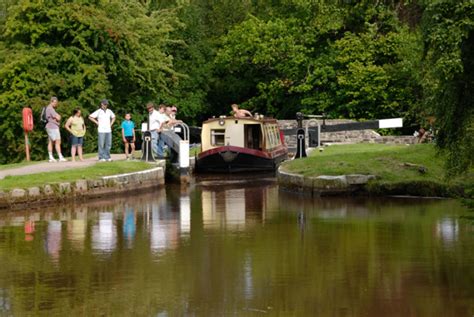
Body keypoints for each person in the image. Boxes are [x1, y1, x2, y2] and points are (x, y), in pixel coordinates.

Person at [45, 96, 67, 162]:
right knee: (57, 142)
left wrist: (57, 116)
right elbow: (58, 118)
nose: (55, 104)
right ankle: (60, 157)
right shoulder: (50, 109)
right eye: (54, 102)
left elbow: (57, 117)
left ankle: (51, 157)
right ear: (51, 102)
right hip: (53, 127)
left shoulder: (49, 108)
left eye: (56, 102)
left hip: (50, 127)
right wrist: (58, 116)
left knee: (50, 142)